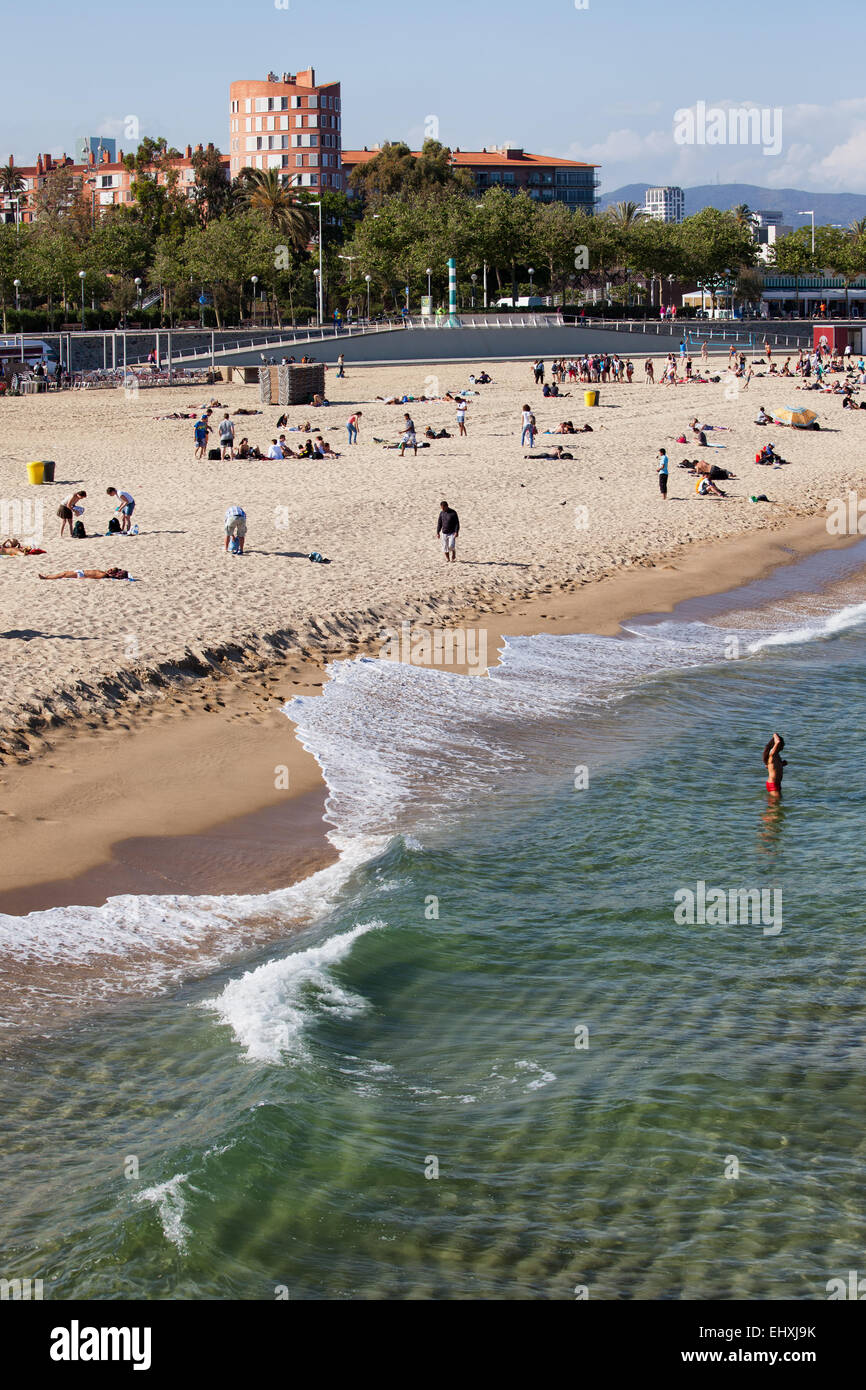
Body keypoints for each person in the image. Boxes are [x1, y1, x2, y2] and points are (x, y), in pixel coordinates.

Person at [762, 732, 787, 797]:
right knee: (776, 805)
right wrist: (775, 734)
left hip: (776, 783)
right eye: (782, 745)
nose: (783, 746)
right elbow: (778, 741)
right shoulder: (772, 754)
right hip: (773, 784)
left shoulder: (776, 755)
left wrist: (782, 764)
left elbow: (773, 768)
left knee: (774, 804)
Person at [39, 567, 129, 580]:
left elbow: (92, 576)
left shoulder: (104, 575)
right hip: (81, 572)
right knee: (63, 573)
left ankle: (46, 577)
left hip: (81, 574)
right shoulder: (104, 572)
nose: (109, 569)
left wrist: (83, 578)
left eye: (111, 570)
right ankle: (47, 577)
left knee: (63, 574)